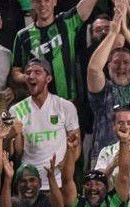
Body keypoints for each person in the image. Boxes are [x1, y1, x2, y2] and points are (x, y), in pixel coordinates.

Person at [86, 8, 130, 157]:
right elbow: (93, 69)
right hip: (105, 159)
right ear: (108, 66)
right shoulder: (103, 90)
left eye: (126, 62)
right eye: (116, 62)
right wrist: (112, 33)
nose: (121, 67)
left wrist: (125, 31)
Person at [11, 58, 81, 191]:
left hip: (60, 182)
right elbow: (18, 152)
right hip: (29, 184)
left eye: (37, 72)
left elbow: (76, 146)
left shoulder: (65, 106)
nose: (31, 76)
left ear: (48, 79)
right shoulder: (16, 110)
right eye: (28, 72)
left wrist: (64, 165)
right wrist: (14, 134)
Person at [9, 0, 98, 100]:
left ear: (54, 2)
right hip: (39, 103)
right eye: (38, 1)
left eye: (47, 0)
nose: (42, 4)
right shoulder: (22, 36)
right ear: (32, 3)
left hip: (68, 101)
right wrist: (27, 77)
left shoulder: (67, 22)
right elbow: (15, 72)